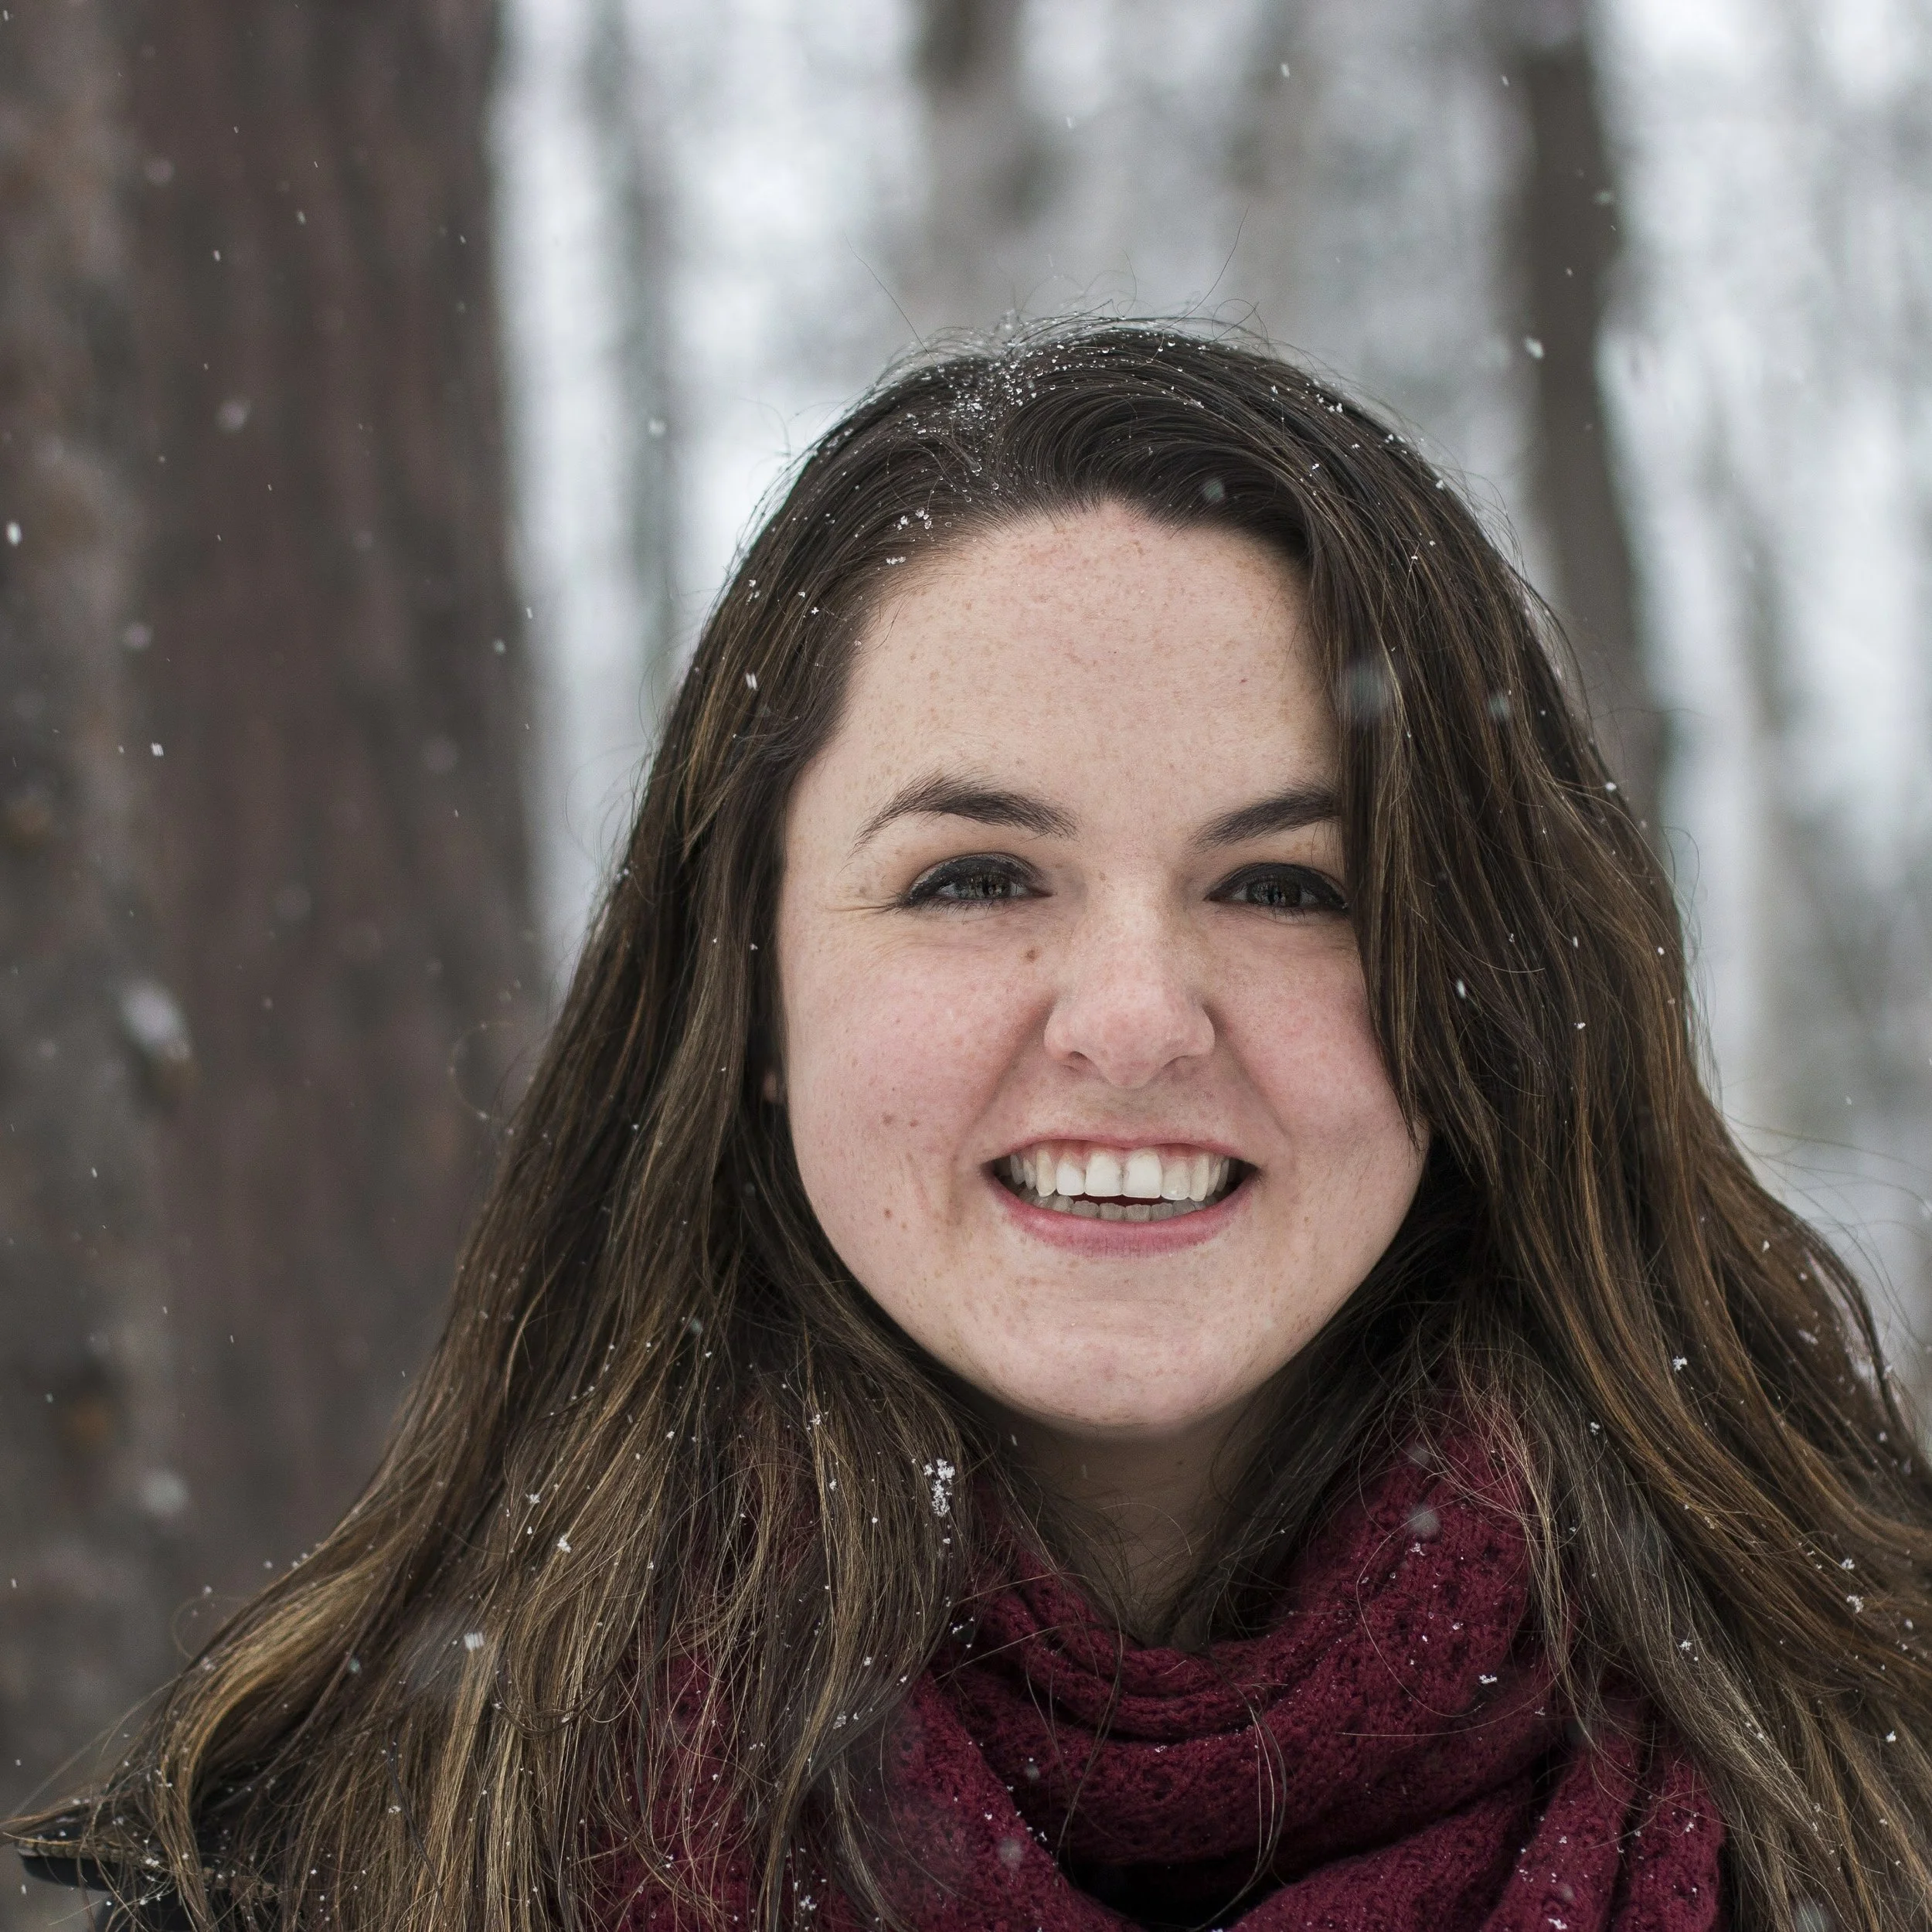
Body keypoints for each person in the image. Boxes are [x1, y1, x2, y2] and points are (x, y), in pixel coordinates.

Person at [13, 323, 1932, 1932]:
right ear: (747, 990)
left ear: (1483, 978)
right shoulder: (345, 1866)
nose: (1127, 1021)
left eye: (1285, 886)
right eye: (970, 876)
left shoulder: (1870, 1787)